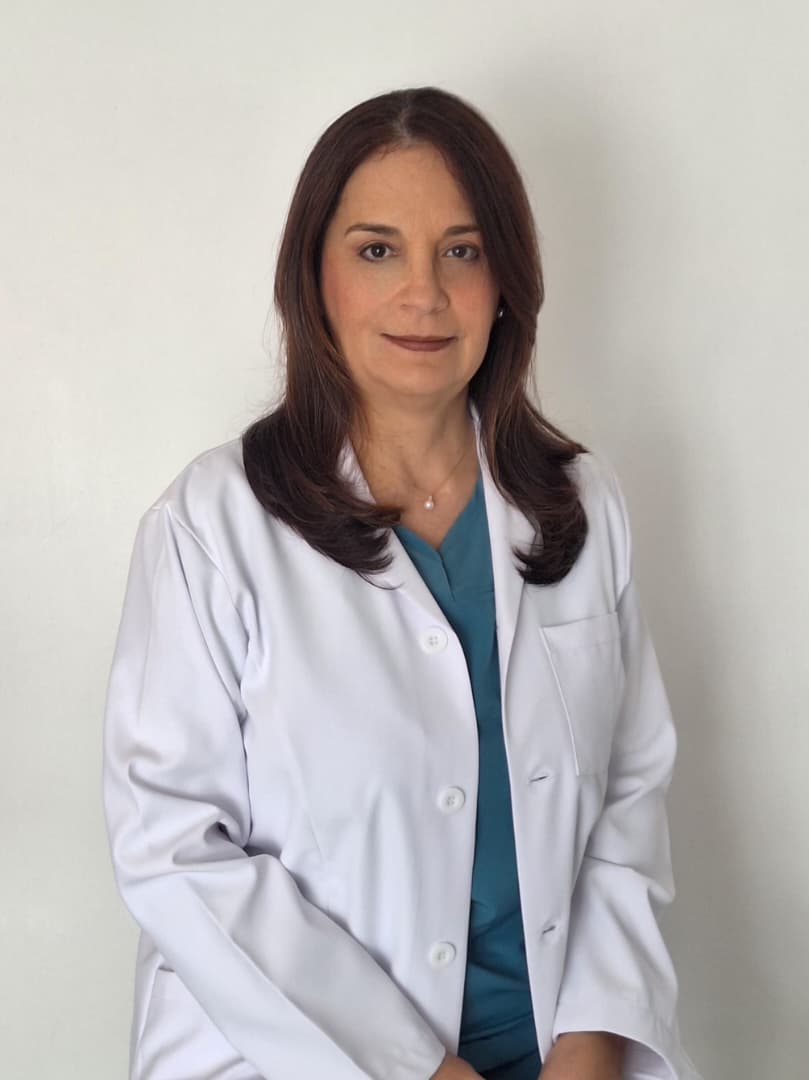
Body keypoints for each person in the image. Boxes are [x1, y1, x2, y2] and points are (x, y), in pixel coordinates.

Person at [103, 86, 701, 1080]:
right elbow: (174, 850)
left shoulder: (579, 504)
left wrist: (593, 1039)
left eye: (461, 251)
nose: (422, 293)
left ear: (505, 281)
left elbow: (629, 794)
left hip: (555, 1050)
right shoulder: (211, 526)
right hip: (302, 1059)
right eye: (377, 250)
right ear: (315, 278)